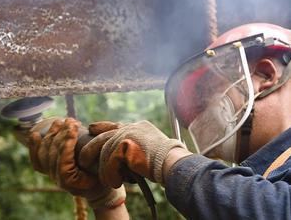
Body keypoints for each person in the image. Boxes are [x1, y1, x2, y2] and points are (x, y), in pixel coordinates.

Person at [28, 23, 291, 219]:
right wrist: (107, 203)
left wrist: (164, 157)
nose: (198, 120)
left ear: (264, 74)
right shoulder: (248, 190)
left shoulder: (264, 194)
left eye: (203, 96)